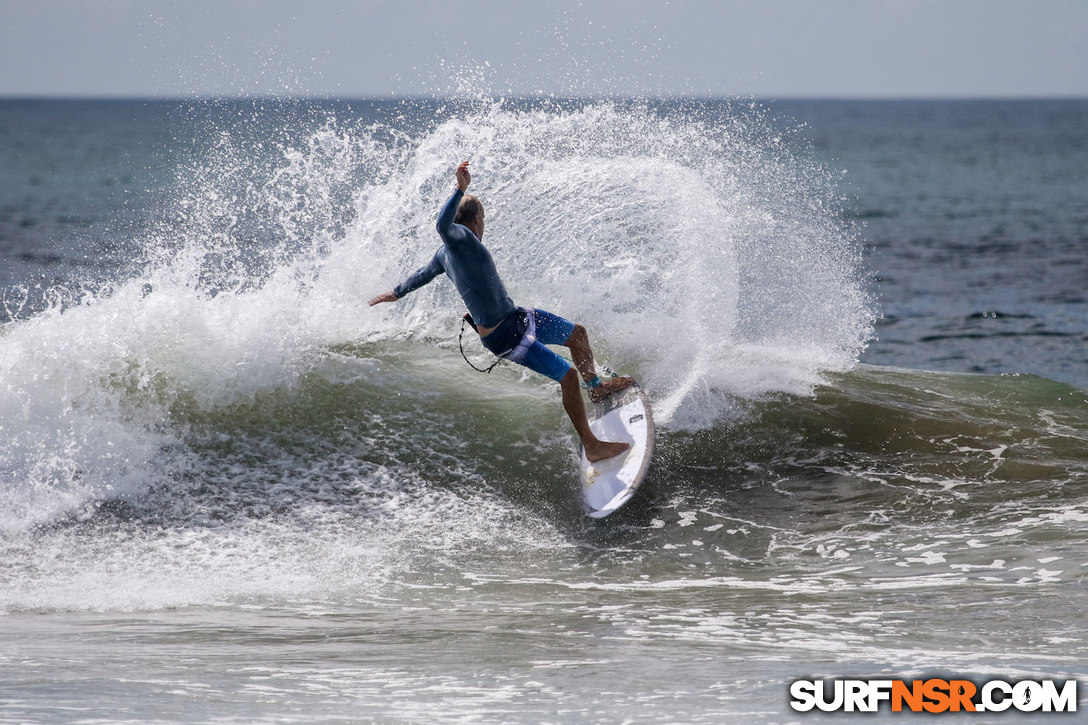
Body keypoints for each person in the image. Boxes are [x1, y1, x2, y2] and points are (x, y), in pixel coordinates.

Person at [369, 160, 634, 462]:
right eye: (483, 219)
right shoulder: (462, 240)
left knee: (577, 334)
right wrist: (459, 189)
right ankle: (592, 445)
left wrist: (397, 293)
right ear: (477, 219)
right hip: (505, 336)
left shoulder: (444, 255)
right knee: (567, 376)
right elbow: (442, 226)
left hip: (517, 318)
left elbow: (421, 275)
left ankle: (596, 389)